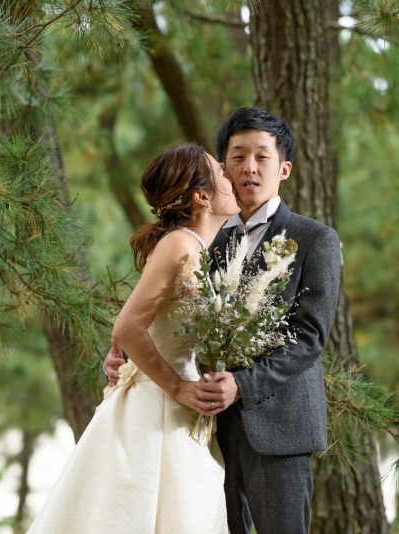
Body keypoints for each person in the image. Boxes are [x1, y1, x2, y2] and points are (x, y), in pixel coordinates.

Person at [105, 107, 342, 534]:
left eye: (262, 157)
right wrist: (121, 358)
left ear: (283, 168)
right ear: (222, 167)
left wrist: (242, 385)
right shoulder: (201, 239)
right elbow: (156, 313)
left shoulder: (314, 239)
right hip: (203, 429)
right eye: (236, 156)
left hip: (278, 426)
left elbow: (309, 337)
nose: (249, 167)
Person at [26, 143, 240, 533]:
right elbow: (126, 327)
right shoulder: (180, 245)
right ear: (202, 196)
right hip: (155, 410)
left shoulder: (197, 249)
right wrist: (177, 386)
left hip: (183, 413)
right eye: (222, 172)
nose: (231, 175)